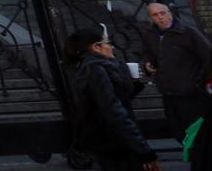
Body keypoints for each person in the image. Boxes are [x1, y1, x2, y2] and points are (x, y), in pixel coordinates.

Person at [65, 27, 159, 171]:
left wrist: (139, 82)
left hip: (115, 141)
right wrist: (143, 151)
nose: (111, 46)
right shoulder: (95, 70)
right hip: (115, 144)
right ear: (96, 47)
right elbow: (114, 111)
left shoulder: (99, 66)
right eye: (107, 42)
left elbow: (117, 97)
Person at [142, 2, 212, 143]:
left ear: (170, 13)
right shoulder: (150, 34)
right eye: (155, 15)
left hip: (191, 93)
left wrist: (198, 82)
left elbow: (209, 57)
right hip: (168, 93)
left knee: (198, 132)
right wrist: (147, 65)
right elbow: (148, 54)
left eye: (163, 13)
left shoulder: (188, 32)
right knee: (179, 131)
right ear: (151, 18)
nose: (160, 17)